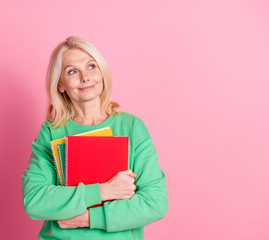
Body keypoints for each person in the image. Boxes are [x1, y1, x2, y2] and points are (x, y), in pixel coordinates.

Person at [21, 36, 168, 239]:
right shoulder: (51, 132)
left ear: (102, 72)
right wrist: (104, 191)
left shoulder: (132, 127)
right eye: (72, 71)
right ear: (60, 84)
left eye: (91, 66)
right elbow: (35, 200)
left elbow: (154, 203)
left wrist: (89, 218)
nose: (85, 77)